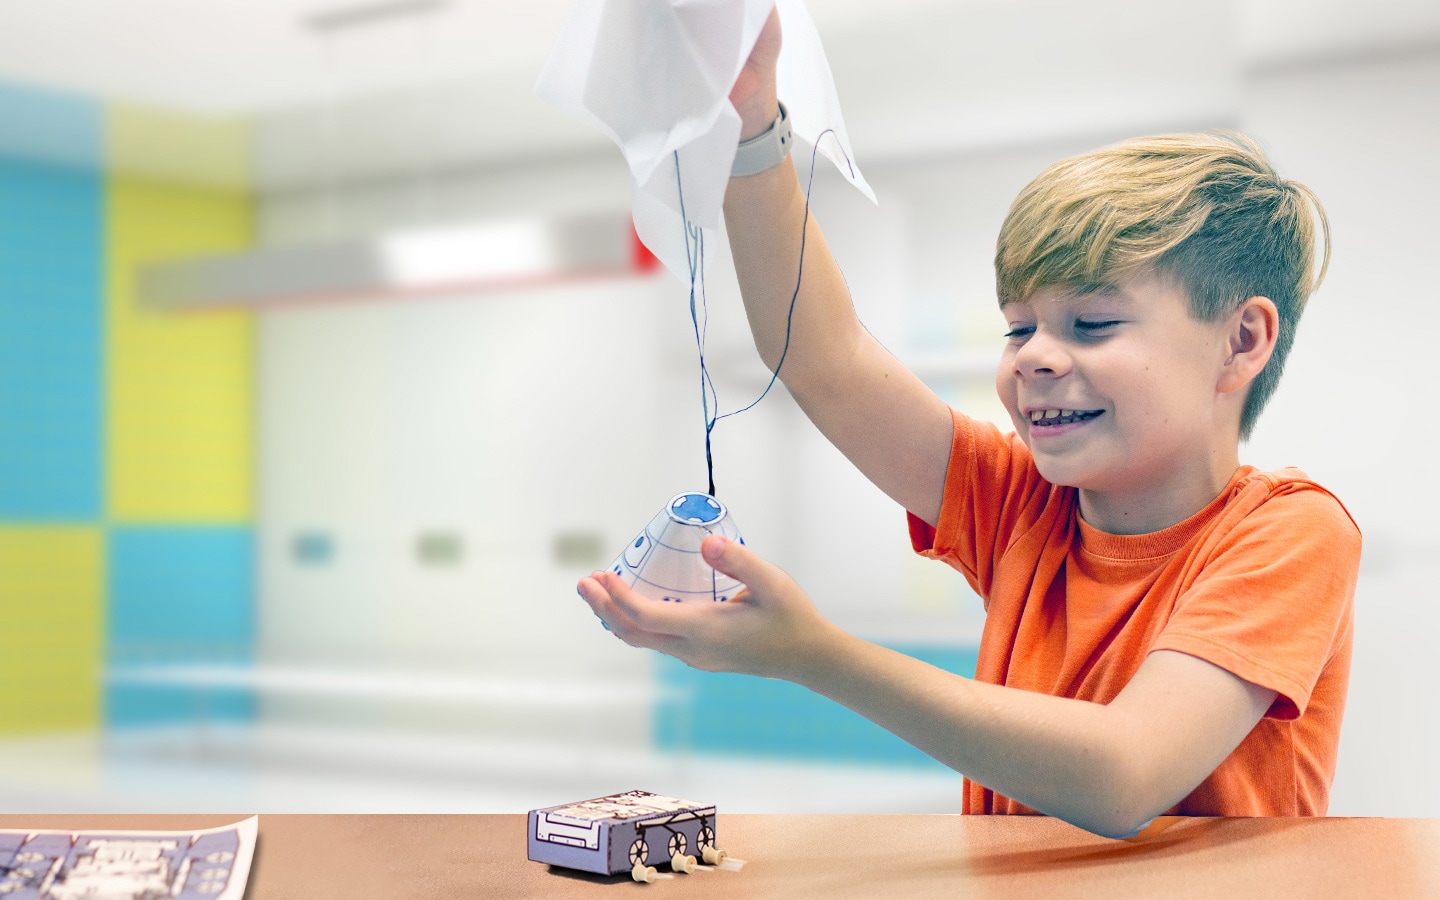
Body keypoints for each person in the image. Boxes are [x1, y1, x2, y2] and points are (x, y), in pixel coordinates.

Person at [577, 9, 1359, 839]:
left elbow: (1126, 774)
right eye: (1019, 327)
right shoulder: (1021, 503)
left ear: (1241, 342)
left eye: (1091, 324)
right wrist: (750, 124)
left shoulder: (1290, 533)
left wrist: (812, 654)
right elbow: (824, 361)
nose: (1034, 357)